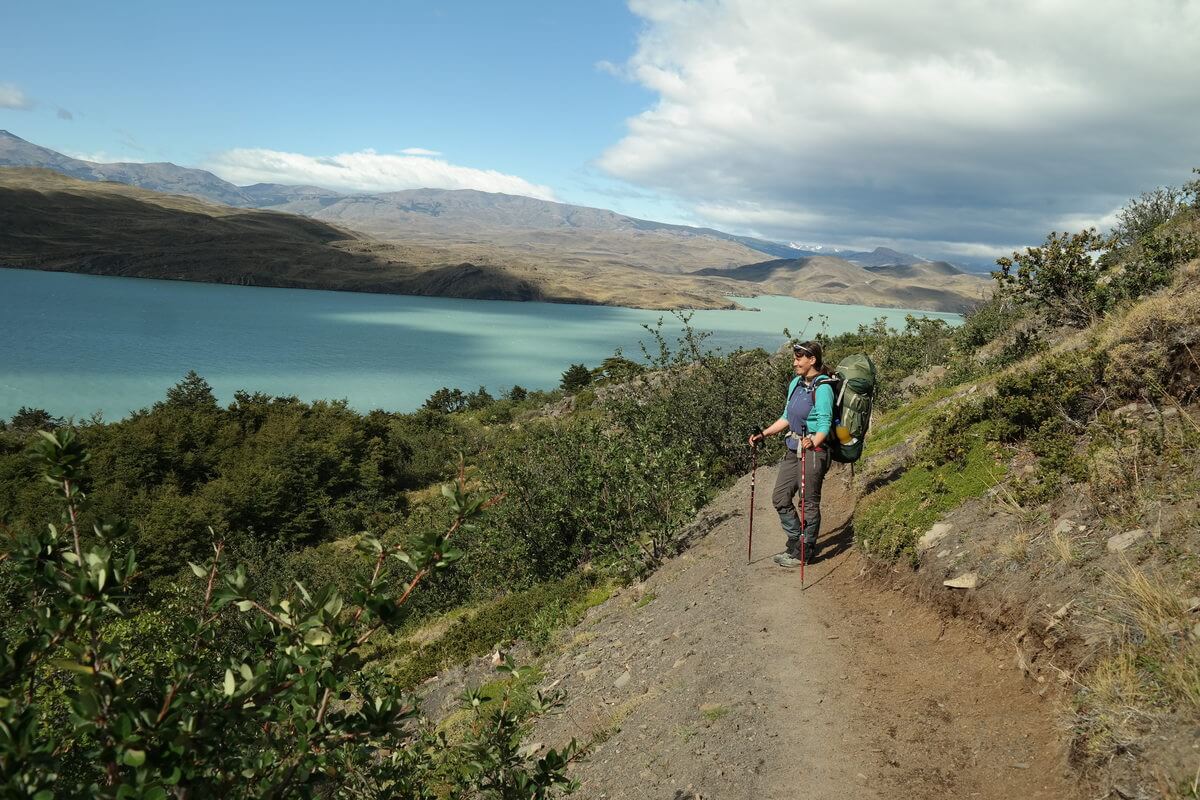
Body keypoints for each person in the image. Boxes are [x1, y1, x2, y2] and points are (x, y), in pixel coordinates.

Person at [748, 341, 835, 567]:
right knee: (780, 497)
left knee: (807, 502)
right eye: (795, 358)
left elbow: (824, 423)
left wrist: (813, 440)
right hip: (792, 447)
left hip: (815, 451)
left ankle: (804, 552)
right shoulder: (796, 383)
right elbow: (787, 416)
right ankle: (797, 539)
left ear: (812, 360)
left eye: (799, 358)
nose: (794, 362)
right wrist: (764, 434)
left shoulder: (823, 388)